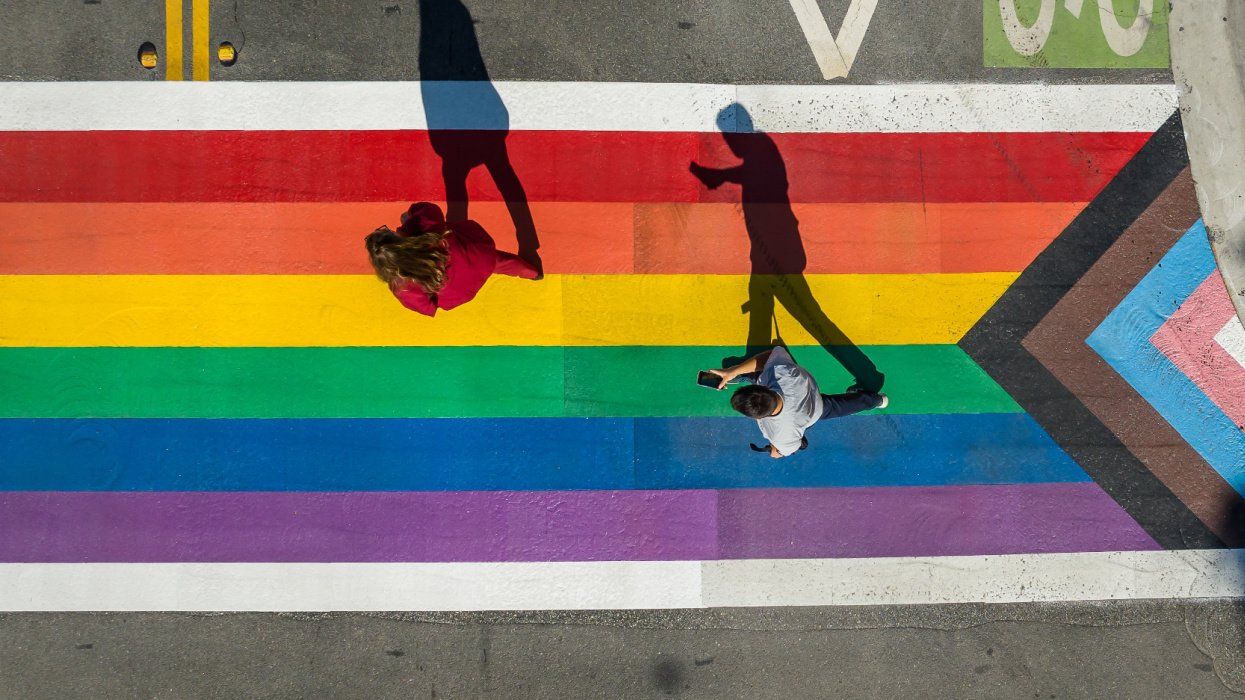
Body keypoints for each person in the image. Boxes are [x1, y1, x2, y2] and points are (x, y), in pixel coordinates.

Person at [365, 202, 540, 317]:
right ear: (397, 239)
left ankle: (530, 273)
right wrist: (409, 218)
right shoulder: (423, 230)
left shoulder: (403, 286)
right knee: (496, 261)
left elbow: (427, 307)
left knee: (491, 263)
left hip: (460, 291)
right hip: (478, 254)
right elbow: (430, 209)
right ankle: (532, 272)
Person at [709, 347, 887, 458]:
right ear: (763, 387)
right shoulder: (782, 374)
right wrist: (734, 371)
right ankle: (876, 400)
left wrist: (776, 452)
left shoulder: (782, 435)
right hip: (807, 393)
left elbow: (787, 450)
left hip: (811, 413)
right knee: (843, 406)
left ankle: (879, 400)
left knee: (841, 407)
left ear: (759, 417)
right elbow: (771, 355)